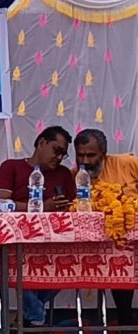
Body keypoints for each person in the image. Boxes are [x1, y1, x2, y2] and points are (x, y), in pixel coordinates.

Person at [0, 125, 76, 327]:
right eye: (57, 150)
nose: (59, 157)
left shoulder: (64, 173)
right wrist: (42, 207)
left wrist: (62, 207)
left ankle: (27, 318)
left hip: (54, 242)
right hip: (17, 241)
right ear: (41, 143)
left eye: (63, 154)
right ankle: (35, 317)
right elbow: (0, 203)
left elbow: (74, 206)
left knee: (70, 266)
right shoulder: (11, 166)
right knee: (16, 265)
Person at [75, 129, 138, 326]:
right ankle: (125, 320)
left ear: (104, 152)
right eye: (80, 155)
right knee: (116, 260)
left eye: (91, 155)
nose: (85, 161)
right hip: (110, 241)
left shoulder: (128, 163)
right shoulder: (76, 175)